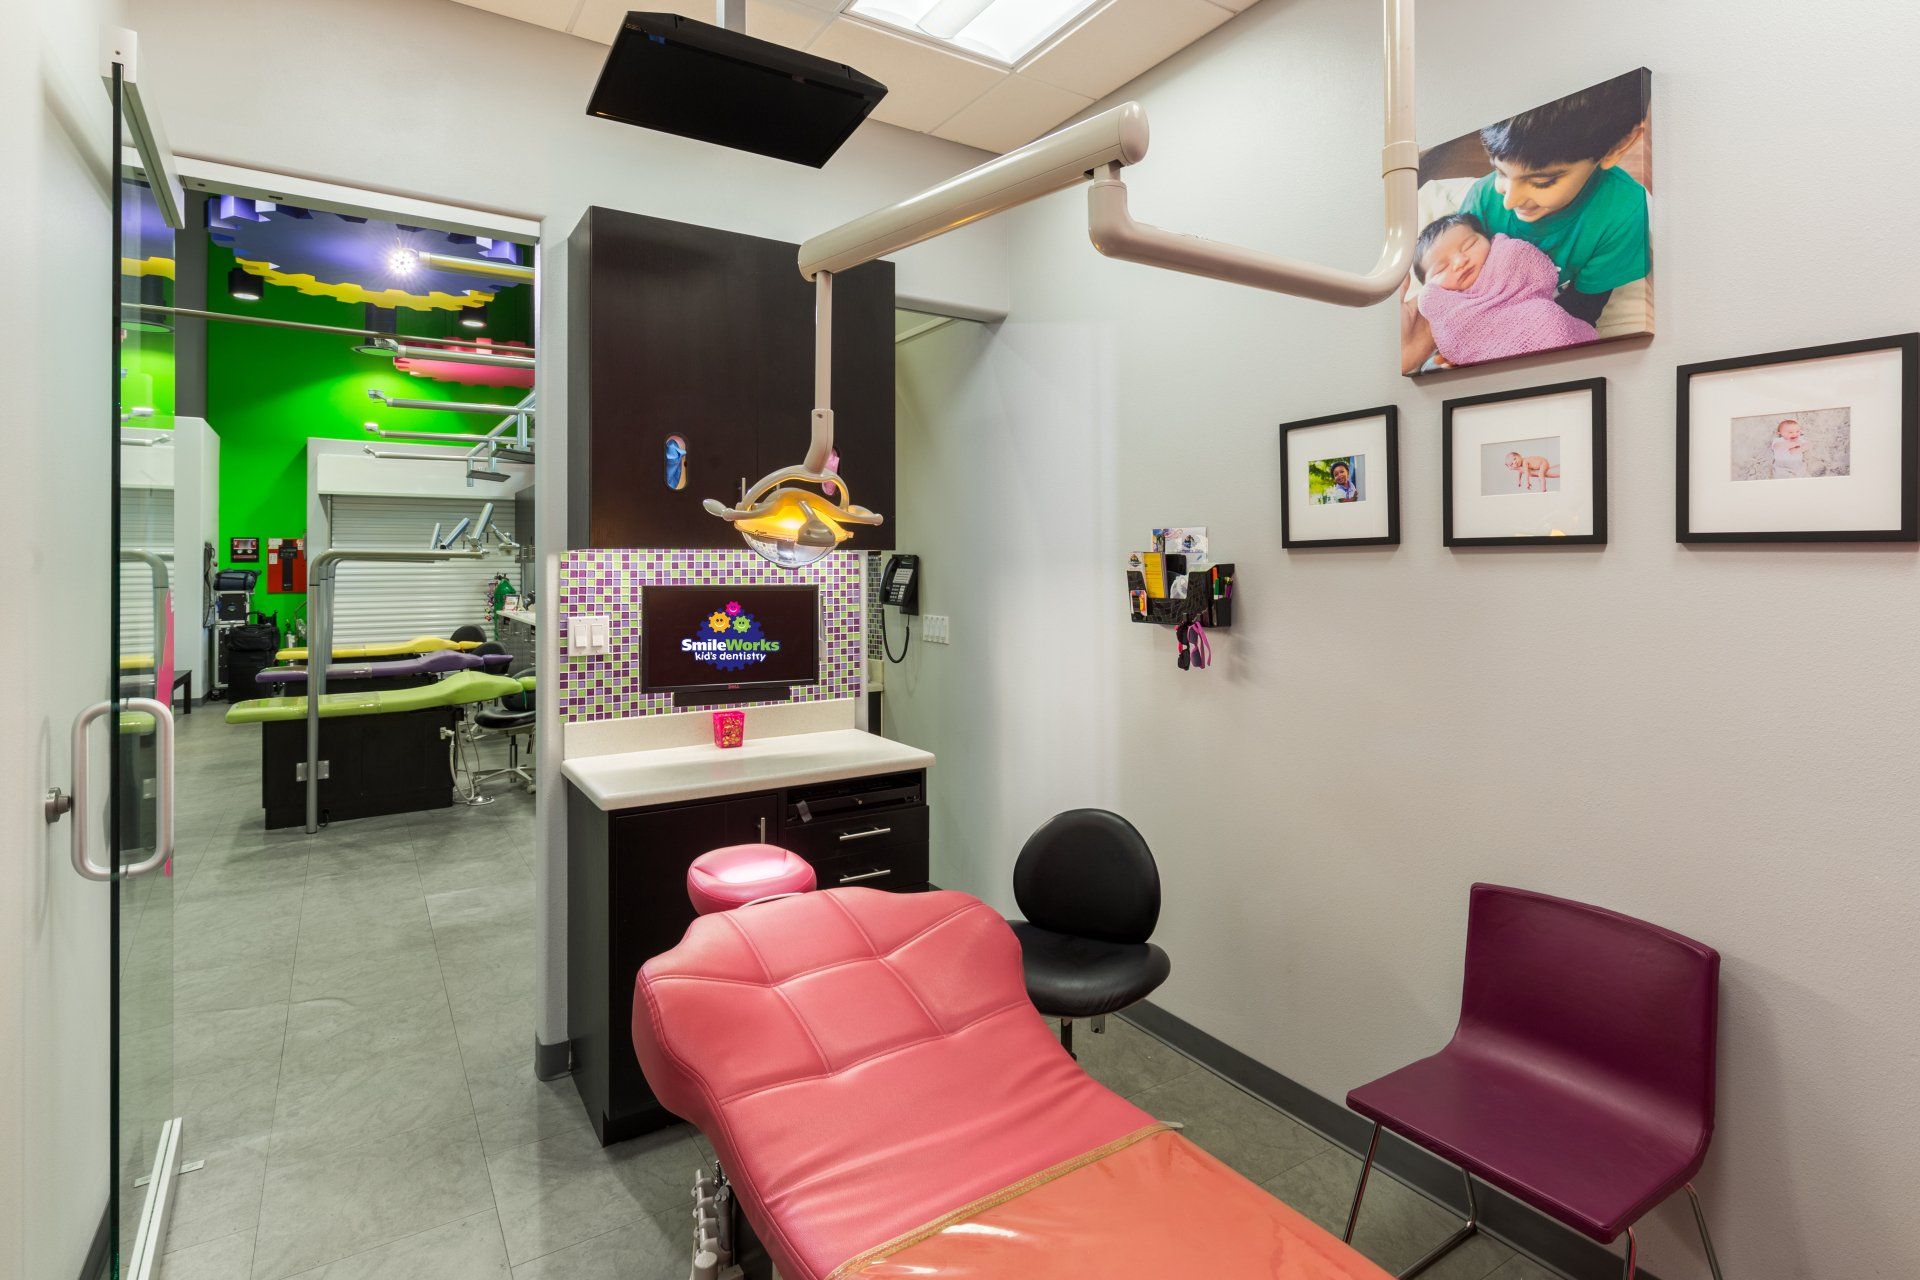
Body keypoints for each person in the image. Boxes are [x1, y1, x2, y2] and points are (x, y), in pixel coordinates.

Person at [1402, 73, 1649, 373]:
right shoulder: (1483, 200)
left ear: (1617, 147)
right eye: (1501, 173)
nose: (1510, 200)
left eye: (1542, 181)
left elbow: (1585, 309)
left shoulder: (1621, 212)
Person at [1412, 213, 1598, 367]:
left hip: (1543, 329)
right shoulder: (1446, 312)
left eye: (1469, 246)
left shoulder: (1506, 258)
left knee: (1545, 315)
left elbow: (1538, 280)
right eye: (1442, 267)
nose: (1461, 262)